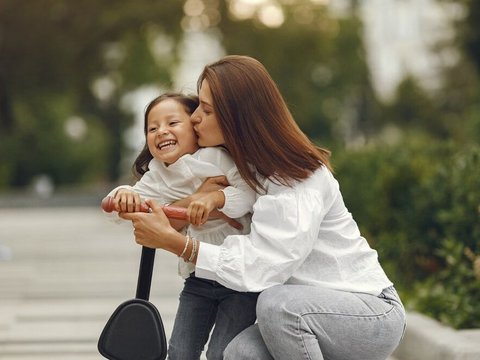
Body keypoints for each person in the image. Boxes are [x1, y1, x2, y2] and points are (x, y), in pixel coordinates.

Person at [120, 56, 406, 360]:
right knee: (238, 353)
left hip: (367, 312)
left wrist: (176, 243)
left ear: (236, 115)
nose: (193, 119)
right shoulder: (240, 169)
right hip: (304, 312)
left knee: (276, 305)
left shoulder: (295, 177)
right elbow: (184, 199)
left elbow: (263, 264)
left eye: (206, 109)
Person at [106, 92, 258, 360]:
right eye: (152, 128)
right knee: (179, 352)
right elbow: (119, 208)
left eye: (172, 123)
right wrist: (123, 195)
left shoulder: (216, 159)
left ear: (195, 126)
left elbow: (247, 194)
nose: (161, 131)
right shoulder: (157, 174)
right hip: (198, 279)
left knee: (221, 352)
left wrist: (216, 198)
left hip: (239, 280)